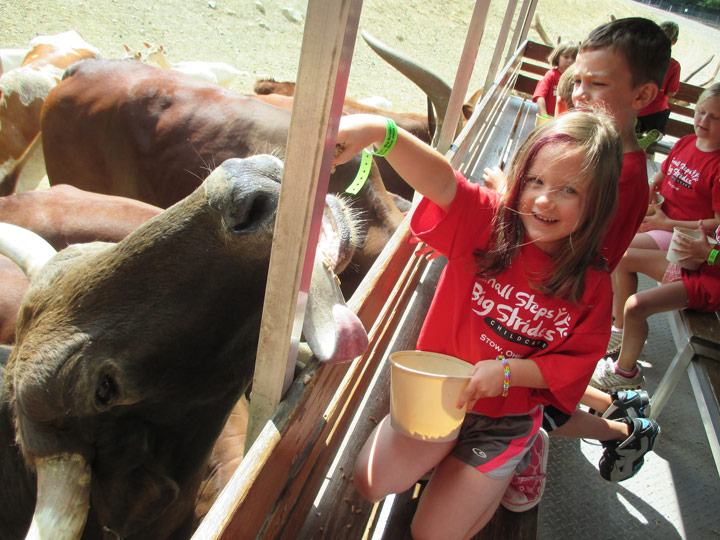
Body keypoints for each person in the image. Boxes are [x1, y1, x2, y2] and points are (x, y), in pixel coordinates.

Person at [333, 109, 622, 539]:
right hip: (439, 397)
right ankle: (457, 468)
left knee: (433, 534)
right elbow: (443, 183)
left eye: (568, 190)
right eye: (535, 181)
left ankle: (521, 450)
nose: (544, 200)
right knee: (370, 482)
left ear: (597, 204)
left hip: (506, 418)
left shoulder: (593, 285)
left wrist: (509, 372)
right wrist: (382, 133)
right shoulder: (489, 224)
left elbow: (575, 362)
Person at [591, 83, 720, 391]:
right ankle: (618, 328)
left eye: (714, 117)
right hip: (689, 251)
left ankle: (625, 373)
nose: (703, 121)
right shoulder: (687, 142)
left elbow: (714, 237)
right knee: (615, 250)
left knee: (635, 301)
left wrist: (706, 252)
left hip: (700, 267)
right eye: (700, 112)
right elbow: (662, 177)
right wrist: (650, 190)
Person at [636, 21, 682, 149]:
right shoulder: (673, 66)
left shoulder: (641, 58)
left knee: (635, 120)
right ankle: (655, 135)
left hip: (636, 108)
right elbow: (671, 92)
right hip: (655, 113)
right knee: (659, 129)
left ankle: (635, 129)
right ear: (674, 41)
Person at [532, 41, 578, 118]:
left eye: (573, 58)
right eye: (566, 57)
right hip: (547, 118)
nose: (570, 61)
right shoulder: (551, 75)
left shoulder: (575, 78)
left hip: (562, 121)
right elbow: (540, 97)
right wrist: (544, 115)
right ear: (557, 58)